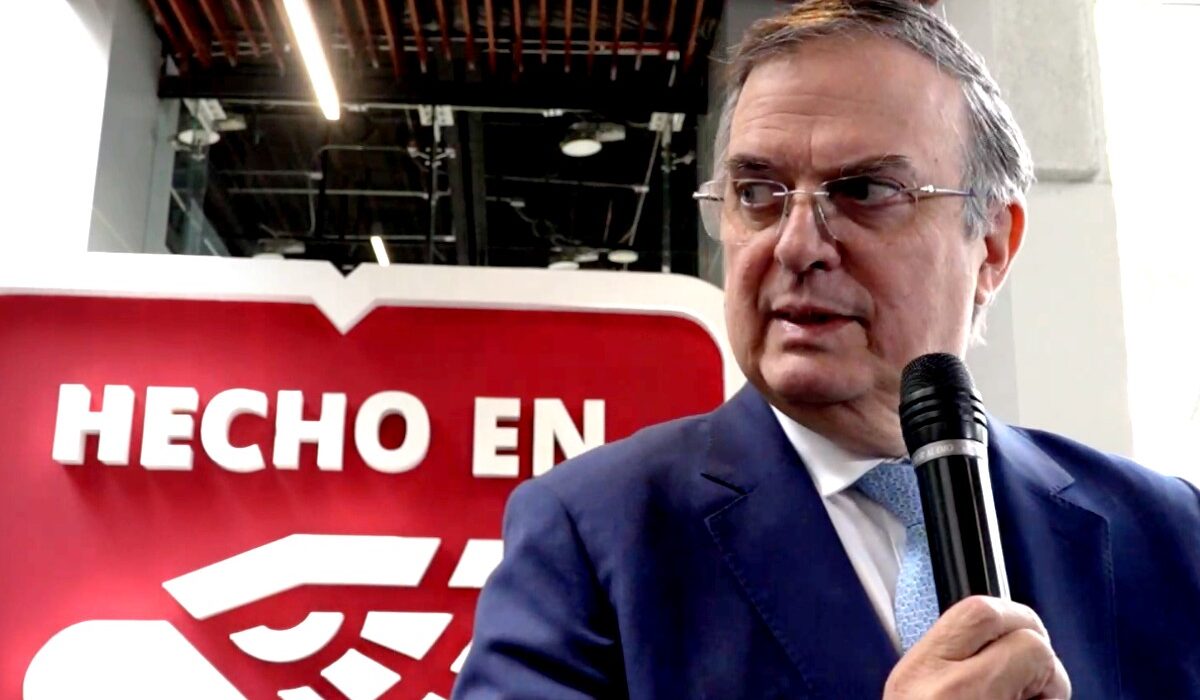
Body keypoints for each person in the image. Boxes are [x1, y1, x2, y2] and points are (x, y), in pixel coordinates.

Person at [452, 1, 1200, 697]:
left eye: (865, 191)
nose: (796, 245)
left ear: (993, 245)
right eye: (757, 194)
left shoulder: (1166, 535)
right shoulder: (595, 535)